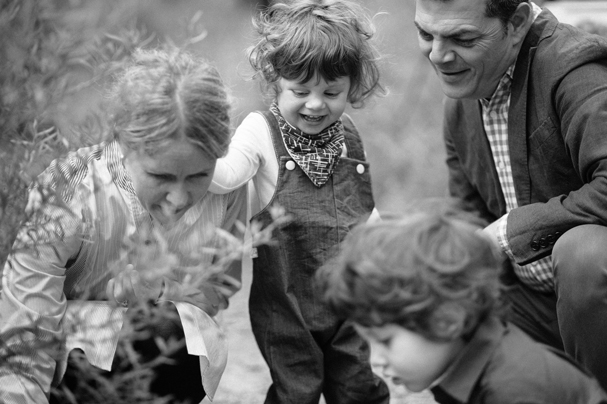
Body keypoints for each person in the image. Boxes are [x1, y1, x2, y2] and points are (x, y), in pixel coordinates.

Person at [0, 49, 247, 403]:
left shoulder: (229, 191)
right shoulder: (68, 192)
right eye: (160, 176)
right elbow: (26, 334)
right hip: (67, 363)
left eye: (197, 176)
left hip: (165, 360)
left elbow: (215, 289)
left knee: (175, 328)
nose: (178, 199)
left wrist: (160, 290)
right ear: (122, 142)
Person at [413, 0, 607, 389]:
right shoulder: (462, 102)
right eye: (425, 34)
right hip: (533, 305)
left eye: (462, 38)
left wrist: (508, 232)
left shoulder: (575, 73)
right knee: (435, 305)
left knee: (584, 255)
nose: (438, 55)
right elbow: (468, 220)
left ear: (516, 22)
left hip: (595, 310)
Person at [208, 1, 390, 402]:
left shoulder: (347, 134)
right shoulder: (260, 130)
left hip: (346, 299)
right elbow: (225, 177)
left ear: (352, 86)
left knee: (357, 385)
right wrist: (195, 150)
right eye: (300, 91)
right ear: (276, 79)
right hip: (286, 302)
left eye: (331, 92)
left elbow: (362, 208)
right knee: (297, 389)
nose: (315, 104)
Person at [318, 208, 607, 404]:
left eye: (386, 341)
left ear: (448, 319)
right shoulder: (464, 362)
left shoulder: (515, 388)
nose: (376, 361)